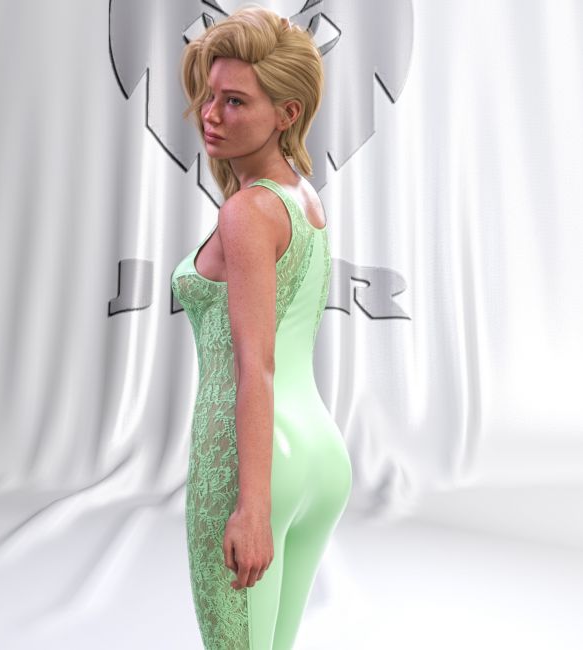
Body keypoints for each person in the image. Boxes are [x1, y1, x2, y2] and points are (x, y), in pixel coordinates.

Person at [171, 5, 352, 648]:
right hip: (320, 454)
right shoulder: (302, 198)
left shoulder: (248, 212)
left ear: (287, 113)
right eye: (210, 96)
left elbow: (257, 364)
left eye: (235, 101)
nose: (211, 115)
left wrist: (252, 507)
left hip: (254, 465)